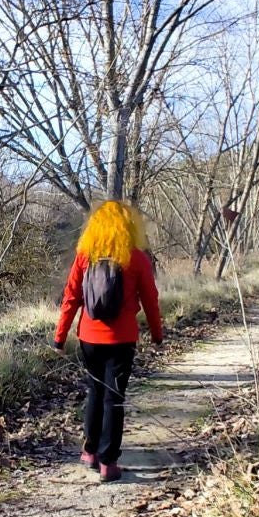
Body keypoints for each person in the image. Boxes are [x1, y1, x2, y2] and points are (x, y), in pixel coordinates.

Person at [53, 200, 163, 482]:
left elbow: (71, 298)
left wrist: (60, 336)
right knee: (114, 397)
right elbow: (151, 300)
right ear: (128, 227)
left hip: (89, 338)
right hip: (122, 339)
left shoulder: (84, 256)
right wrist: (157, 334)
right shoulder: (136, 258)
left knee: (95, 391)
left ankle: (90, 452)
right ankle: (108, 462)